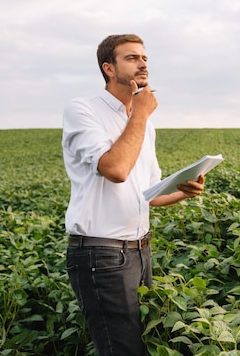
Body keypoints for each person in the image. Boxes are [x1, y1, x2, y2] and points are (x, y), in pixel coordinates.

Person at [61, 34, 205, 355]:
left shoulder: (144, 125)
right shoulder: (83, 110)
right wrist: (139, 113)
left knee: (143, 345)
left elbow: (148, 195)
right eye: (131, 58)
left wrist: (183, 191)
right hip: (101, 255)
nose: (143, 63)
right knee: (123, 350)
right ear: (108, 68)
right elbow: (115, 170)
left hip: (140, 251)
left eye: (144, 58)